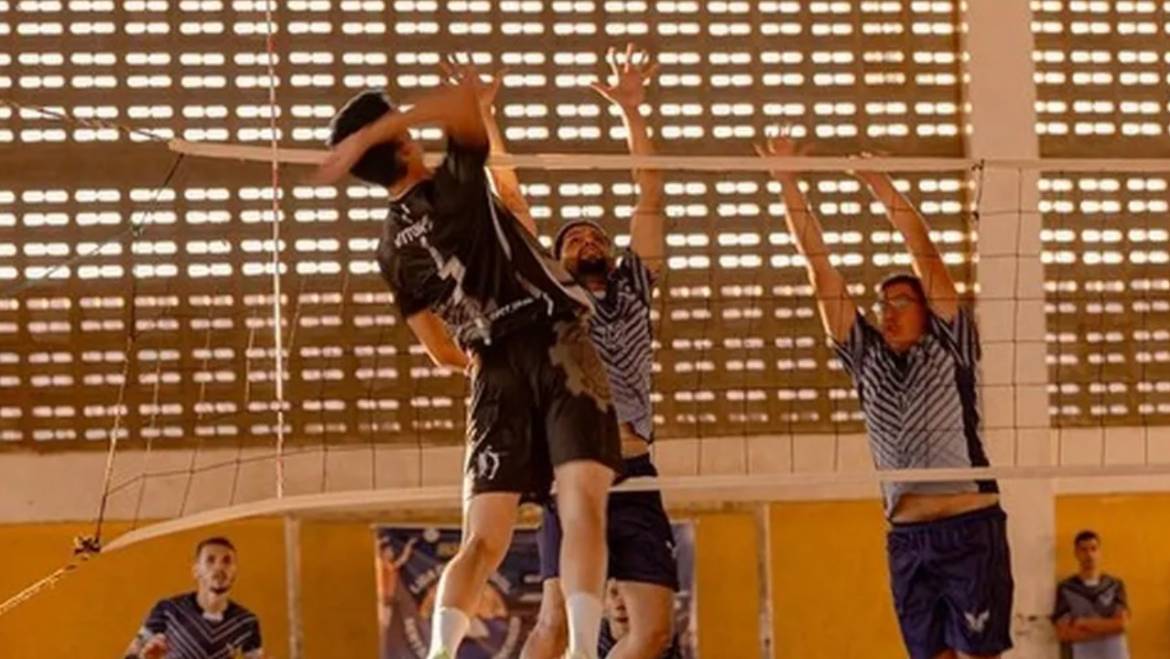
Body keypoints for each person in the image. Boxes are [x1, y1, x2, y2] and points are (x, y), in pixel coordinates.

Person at [317, 65, 622, 659]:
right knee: (582, 505)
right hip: (554, 341)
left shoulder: (387, 249)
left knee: (481, 542)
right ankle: (585, 652)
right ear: (402, 142)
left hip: (489, 369)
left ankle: (439, 655)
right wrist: (391, 123)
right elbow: (457, 103)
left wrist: (488, 365)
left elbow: (436, 350)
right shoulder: (456, 183)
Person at [758, 135, 1013, 659]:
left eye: (902, 301)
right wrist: (787, 183)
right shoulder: (866, 357)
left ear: (928, 310)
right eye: (884, 304)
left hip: (968, 529)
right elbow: (819, 265)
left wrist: (881, 186)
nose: (889, 311)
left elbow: (926, 253)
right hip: (907, 540)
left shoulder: (953, 345)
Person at [494, 45, 675, 659]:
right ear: (560, 259)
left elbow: (648, 190)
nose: (588, 241)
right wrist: (488, 123)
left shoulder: (634, 289)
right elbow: (513, 203)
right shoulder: (550, 293)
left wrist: (632, 110)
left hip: (637, 470)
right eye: (573, 239)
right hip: (572, 471)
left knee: (652, 632)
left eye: (595, 235)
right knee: (554, 625)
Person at [124, 537, 263, 659]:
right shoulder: (168, 610)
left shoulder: (247, 622)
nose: (219, 567)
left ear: (235, 572)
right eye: (210, 560)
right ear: (196, 571)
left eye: (227, 561)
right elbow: (131, 654)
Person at [1052, 530, 1130, 659]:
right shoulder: (1066, 589)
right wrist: (1108, 629)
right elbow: (1064, 633)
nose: (1089, 555)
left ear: (1100, 552)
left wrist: (1081, 622)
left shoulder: (1114, 585)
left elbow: (1121, 624)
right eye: (1084, 550)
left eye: (1093, 549)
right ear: (1076, 553)